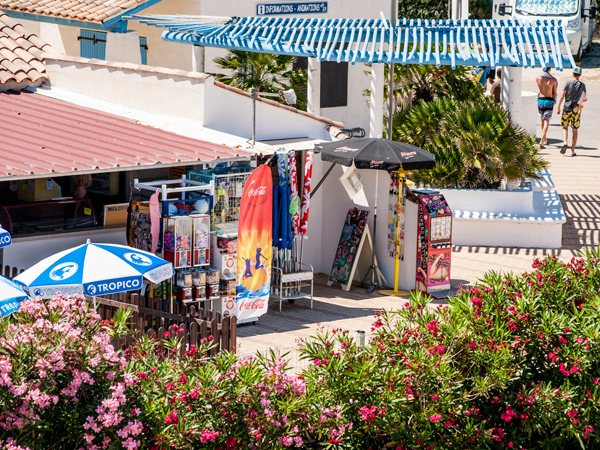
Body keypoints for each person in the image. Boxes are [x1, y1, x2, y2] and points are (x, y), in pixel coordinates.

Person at [556, 67, 587, 156]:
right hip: (576, 109)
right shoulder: (582, 85)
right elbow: (584, 96)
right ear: (580, 75)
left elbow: (562, 96)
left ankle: (565, 142)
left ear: (573, 74)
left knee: (565, 127)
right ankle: (572, 151)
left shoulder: (568, 83)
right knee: (575, 130)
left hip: (566, 107)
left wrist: (558, 107)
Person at [535, 67, 558, 149]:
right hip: (549, 100)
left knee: (542, 120)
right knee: (547, 121)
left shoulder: (538, 78)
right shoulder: (553, 80)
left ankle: (544, 139)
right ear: (550, 69)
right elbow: (555, 92)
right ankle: (542, 140)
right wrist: (555, 100)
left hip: (540, 100)